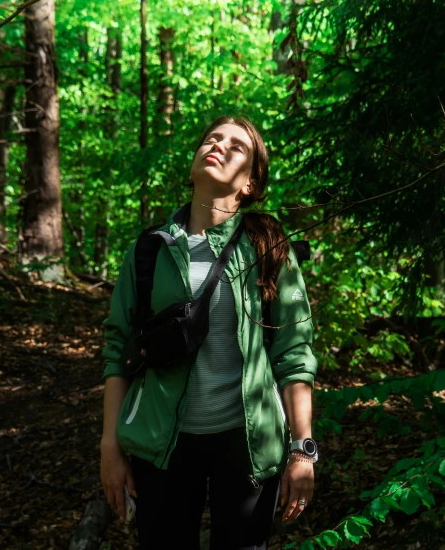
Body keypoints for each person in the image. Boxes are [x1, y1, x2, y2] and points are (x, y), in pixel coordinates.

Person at [99, 115, 318, 550]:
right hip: (161, 445)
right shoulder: (150, 249)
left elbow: (293, 355)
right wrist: (110, 445)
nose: (217, 146)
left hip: (248, 444)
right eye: (211, 139)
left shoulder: (268, 249)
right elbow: (119, 350)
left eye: (235, 147)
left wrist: (302, 450)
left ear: (250, 184)